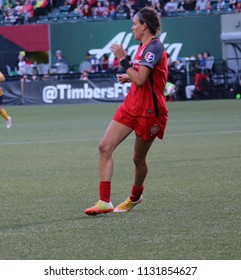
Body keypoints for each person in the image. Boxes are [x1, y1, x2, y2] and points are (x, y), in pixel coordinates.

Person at [85, 7, 168, 215]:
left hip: (150, 111)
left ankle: (135, 196)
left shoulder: (154, 48)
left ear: (144, 26)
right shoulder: (142, 47)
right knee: (104, 147)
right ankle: (104, 201)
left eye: (134, 24)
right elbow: (140, 76)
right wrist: (129, 76)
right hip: (131, 106)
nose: (132, 27)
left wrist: (123, 60)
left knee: (138, 159)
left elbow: (141, 80)